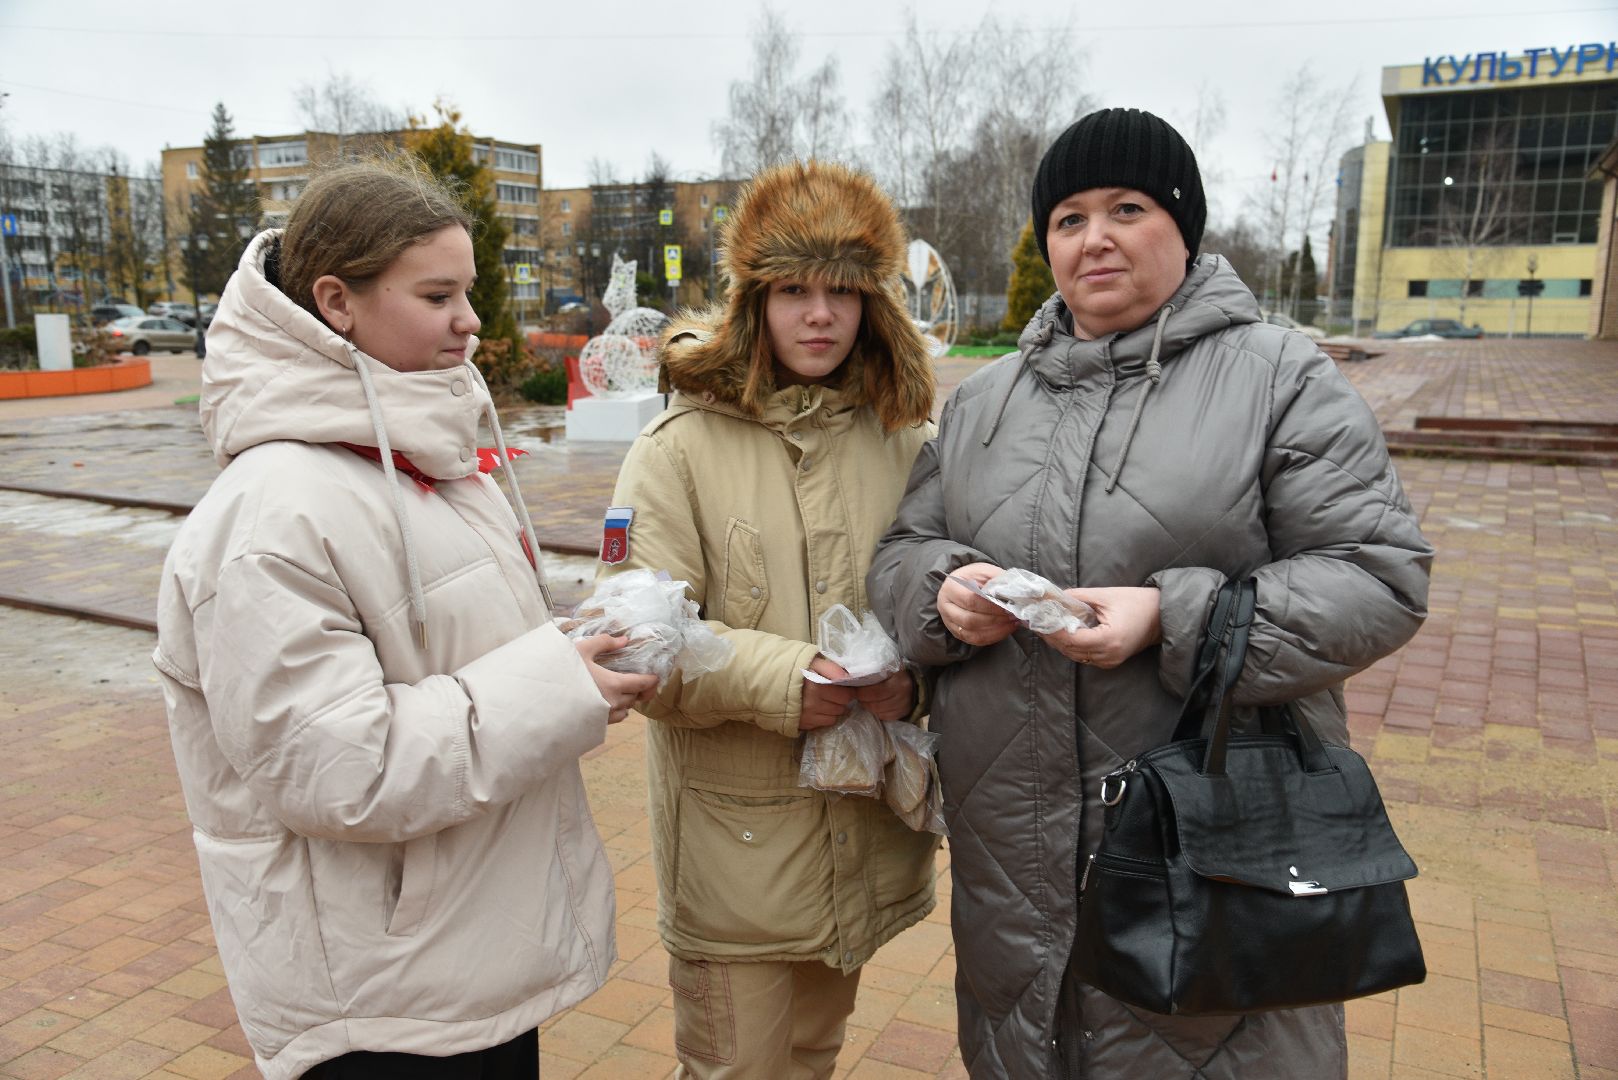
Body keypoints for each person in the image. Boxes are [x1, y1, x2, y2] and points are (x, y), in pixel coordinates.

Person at [868, 108, 1434, 1079]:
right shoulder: (982, 402)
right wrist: (940, 594)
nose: (1094, 237)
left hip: (1216, 869)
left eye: (1125, 208)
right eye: (1069, 217)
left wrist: (1177, 620)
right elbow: (903, 548)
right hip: (1014, 871)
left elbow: (1379, 576)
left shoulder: (1276, 375)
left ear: (1183, 225)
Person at [152, 160, 658, 1080]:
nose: (471, 320)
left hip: (464, 961)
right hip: (379, 1004)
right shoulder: (275, 514)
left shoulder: (430, 465)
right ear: (337, 300)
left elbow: (460, 664)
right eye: (438, 294)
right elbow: (339, 769)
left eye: (469, 291)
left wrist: (568, 650)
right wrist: (558, 685)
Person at [599, 159, 940, 1079]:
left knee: (813, 1058)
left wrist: (922, 675)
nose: (820, 315)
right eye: (793, 290)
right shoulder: (677, 448)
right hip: (735, 845)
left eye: (843, 290)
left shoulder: (905, 438)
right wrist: (782, 680)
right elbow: (635, 645)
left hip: (859, 829)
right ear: (754, 300)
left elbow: (936, 598)